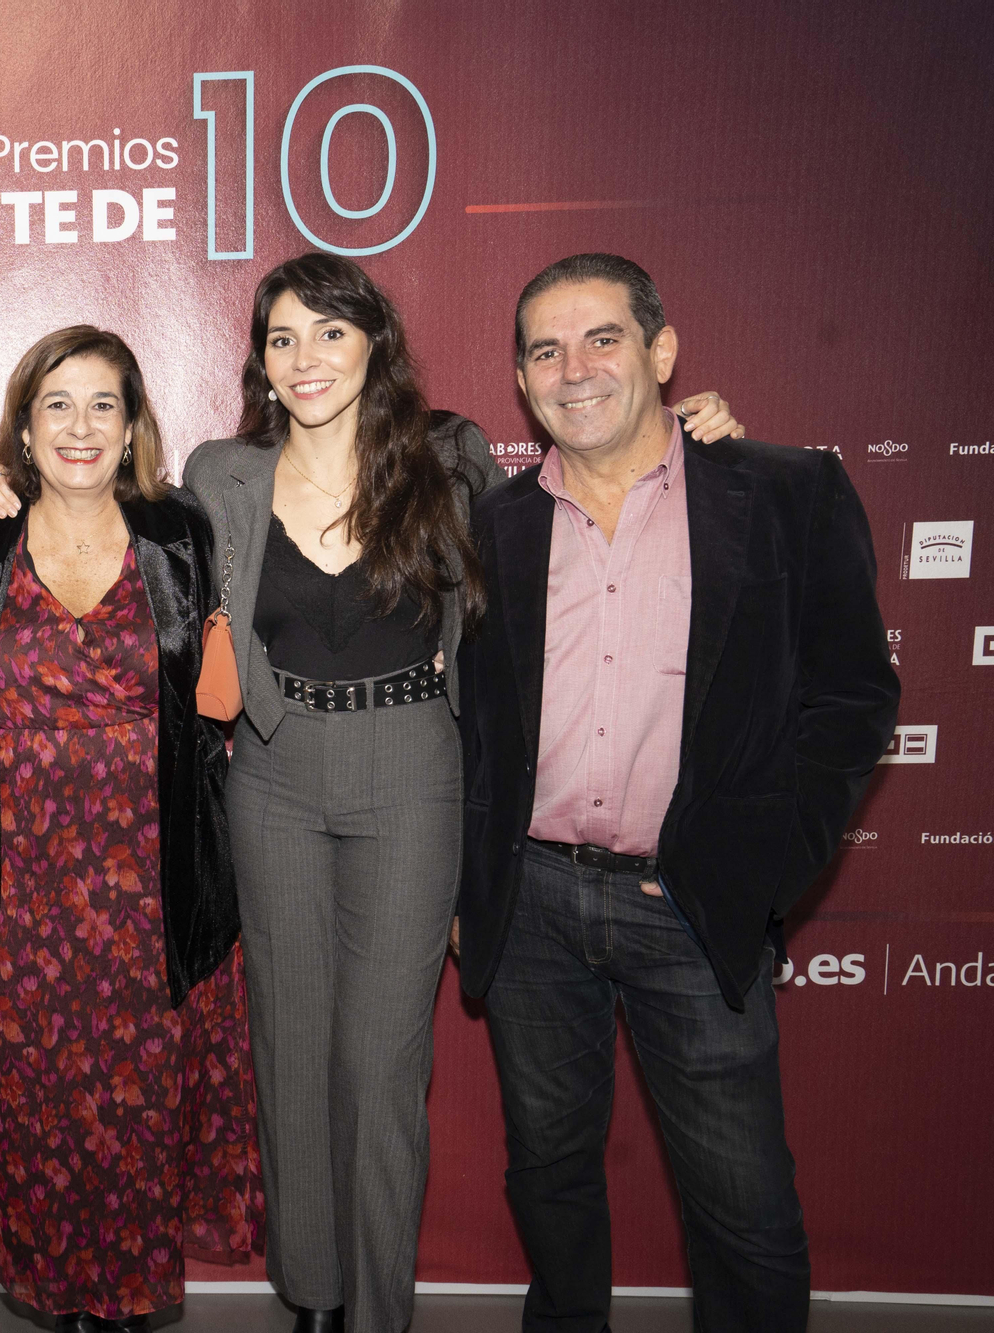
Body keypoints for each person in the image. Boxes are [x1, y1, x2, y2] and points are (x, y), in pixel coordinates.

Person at [0, 264, 739, 1333]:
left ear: (374, 343)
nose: (306, 359)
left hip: (411, 766)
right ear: (260, 364)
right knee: (286, 1052)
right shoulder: (222, 474)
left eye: (330, 333)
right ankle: (314, 1299)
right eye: (282, 340)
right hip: (272, 772)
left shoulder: (449, 458)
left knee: (380, 1068)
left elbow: (592, 464)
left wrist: (694, 432)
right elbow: (110, 516)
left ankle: (377, 1310)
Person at [454, 253, 899, 1333]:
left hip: (692, 904)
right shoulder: (492, 527)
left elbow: (849, 698)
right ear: (519, 381)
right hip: (533, 911)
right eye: (545, 350)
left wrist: (764, 868)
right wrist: (474, 893)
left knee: (739, 1202)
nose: (574, 369)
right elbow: (470, 730)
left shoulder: (784, 493)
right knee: (547, 1175)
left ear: (659, 353)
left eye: (601, 338)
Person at [0, 326, 259, 1333]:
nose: (79, 426)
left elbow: (216, 706)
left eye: (102, 405)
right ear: (22, 427)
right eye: (56, 405)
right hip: (19, 881)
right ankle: (66, 1303)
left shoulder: (180, 536)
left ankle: (119, 1306)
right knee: (41, 1097)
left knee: (134, 1095)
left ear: (131, 428)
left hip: (149, 878)